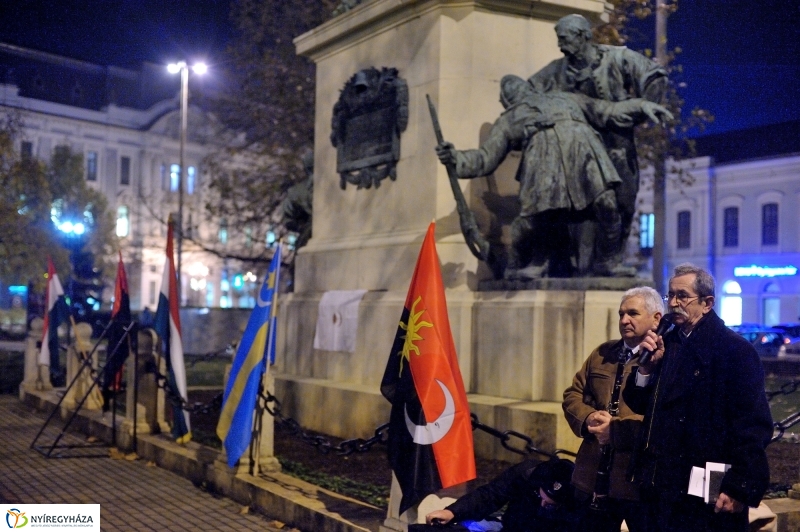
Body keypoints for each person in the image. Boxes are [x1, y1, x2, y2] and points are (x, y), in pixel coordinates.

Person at [435, 75, 671, 279]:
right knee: (540, 217)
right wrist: (455, 158)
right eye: (509, 90)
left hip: (584, 153)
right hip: (544, 162)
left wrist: (640, 105)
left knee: (608, 205)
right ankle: (536, 263)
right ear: (508, 100)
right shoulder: (510, 118)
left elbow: (606, 110)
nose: (515, 90)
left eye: (516, 85)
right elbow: (486, 158)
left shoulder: (566, 97)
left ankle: (607, 262)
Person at [623, 263, 773, 531]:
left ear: (707, 303)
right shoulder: (667, 343)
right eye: (671, 296)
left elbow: (753, 425)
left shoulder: (735, 351)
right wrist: (646, 370)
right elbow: (641, 405)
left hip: (704, 494)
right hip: (660, 486)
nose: (674, 303)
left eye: (683, 296)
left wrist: (738, 486)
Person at [529, 14, 668, 270]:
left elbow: (653, 74)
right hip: (575, 152)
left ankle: (610, 259)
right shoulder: (555, 71)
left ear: (583, 36)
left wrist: (641, 109)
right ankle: (579, 264)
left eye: (564, 39)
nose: (560, 45)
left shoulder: (616, 57)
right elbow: (526, 94)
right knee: (578, 210)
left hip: (615, 146)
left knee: (624, 202)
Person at [563, 286, 663, 532]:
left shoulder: (666, 359)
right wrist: (588, 418)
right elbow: (572, 394)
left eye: (632, 313)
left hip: (636, 483)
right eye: (621, 314)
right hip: (591, 477)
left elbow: (664, 419)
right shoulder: (603, 353)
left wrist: (616, 431)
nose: (624, 320)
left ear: (656, 318)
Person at [416, 458, 580, 532]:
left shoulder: (578, 502)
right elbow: (490, 495)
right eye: (540, 497)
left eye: (550, 505)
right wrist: (453, 511)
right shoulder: (527, 473)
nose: (543, 505)